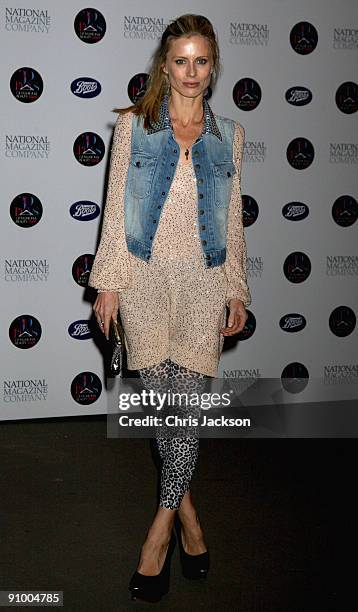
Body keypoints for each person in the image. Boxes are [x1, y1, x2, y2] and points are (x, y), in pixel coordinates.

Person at [88, 13, 251, 603]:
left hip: (205, 284)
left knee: (183, 413)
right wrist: (108, 283)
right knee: (169, 414)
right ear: (165, 65)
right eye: (180, 60)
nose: (190, 72)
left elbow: (232, 218)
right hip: (145, 283)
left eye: (201, 61)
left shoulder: (227, 135)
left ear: (213, 67)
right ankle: (190, 521)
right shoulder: (134, 127)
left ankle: (161, 530)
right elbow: (116, 210)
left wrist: (237, 286)